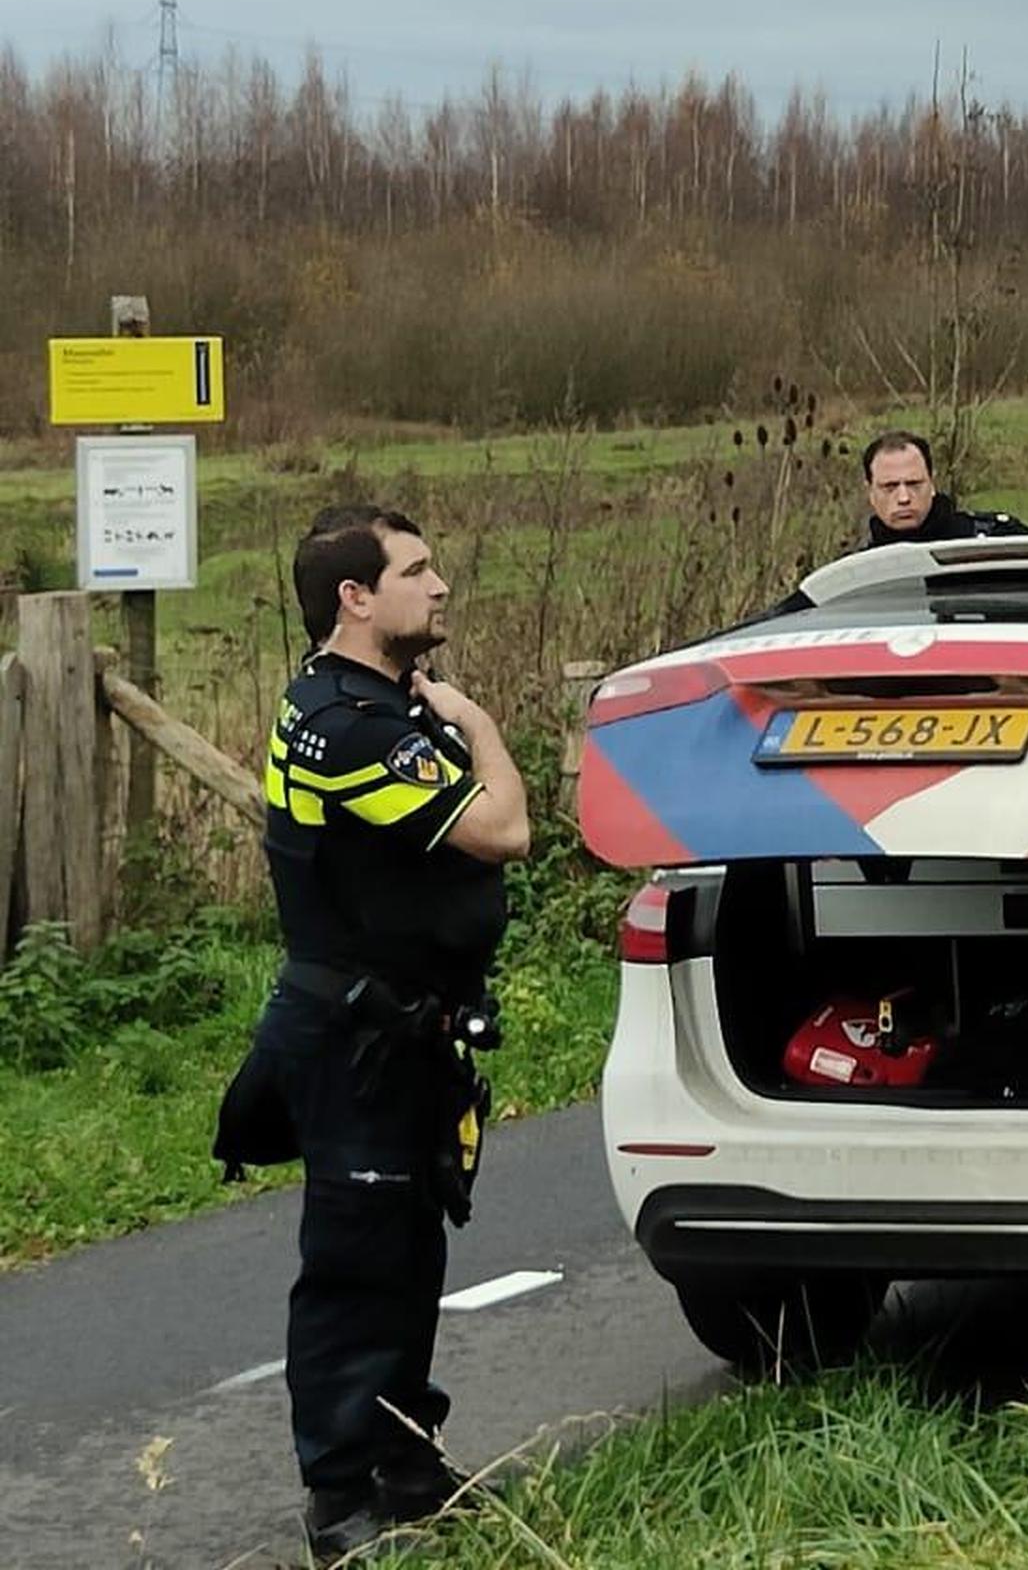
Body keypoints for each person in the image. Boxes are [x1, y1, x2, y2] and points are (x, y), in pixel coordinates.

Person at [225, 506, 534, 1563]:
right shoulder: (355, 726)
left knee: (404, 1256)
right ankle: (339, 1494)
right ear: (356, 598)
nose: (439, 585)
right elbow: (505, 830)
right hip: (355, 1036)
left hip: (400, 1030)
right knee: (355, 1268)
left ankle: (407, 1461)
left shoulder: (352, 700)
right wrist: (475, 720)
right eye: (417, 569)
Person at [856, 430, 1020, 548]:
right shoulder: (852, 577)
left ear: (932, 483)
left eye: (914, 484)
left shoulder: (996, 542)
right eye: (890, 487)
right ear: (870, 492)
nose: (904, 498)